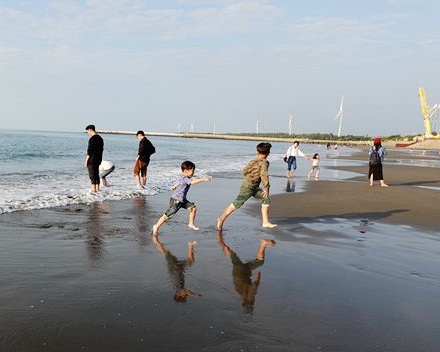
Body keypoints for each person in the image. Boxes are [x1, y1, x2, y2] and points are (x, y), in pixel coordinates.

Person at [217, 142, 277, 230]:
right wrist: (266, 188)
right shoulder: (265, 163)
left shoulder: (252, 161)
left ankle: (265, 222)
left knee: (266, 200)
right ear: (268, 153)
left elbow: (244, 171)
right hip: (248, 188)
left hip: (254, 187)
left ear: (257, 152)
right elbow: (264, 175)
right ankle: (221, 219)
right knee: (237, 203)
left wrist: (249, 178)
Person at [217, 231, 276, 313]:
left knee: (258, 262)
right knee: (236, 258)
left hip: (242, 271)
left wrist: (258, 276)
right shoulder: (240, 293)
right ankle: (222, 243)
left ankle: (263, 244)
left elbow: (255, 285)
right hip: (239, 272)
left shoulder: (250, 296)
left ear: (251, 303)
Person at [152, 161, 211, 235]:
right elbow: (192, 182)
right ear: (185, 171)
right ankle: (156, 226)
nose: (193, 173)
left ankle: (191, 224)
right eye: (192, 171)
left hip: (182, 200)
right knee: (168, 215)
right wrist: (203, 179)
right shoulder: (186, 178)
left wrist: (174, 186)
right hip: (176, 201)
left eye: (193, 171)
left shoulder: (183, 177)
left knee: (193, 208)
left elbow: (179, 182)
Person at [153, 235, 201, 302]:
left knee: (165, 253)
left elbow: (186, 291)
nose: (185, 296)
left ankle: (156, 240)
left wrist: (195, 295)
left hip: (175, 268)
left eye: (184, 297)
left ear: (179, 295)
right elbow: (186, 291)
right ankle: (190, 246)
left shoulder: (179, 290)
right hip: (177, 269)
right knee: (190, 261)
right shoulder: (177, 289)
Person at [84, 125, 104, 192]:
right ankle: (97, 190)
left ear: (90, 130)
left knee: (92, 175)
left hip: (92, 160)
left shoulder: (92, 139)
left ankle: (94, 190)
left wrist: (86, 160)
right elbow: (101, 150)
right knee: (96, 174)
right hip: (98, 159)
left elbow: (89, 151)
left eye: (88, 131)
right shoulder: (100, 138)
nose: (88, 133)